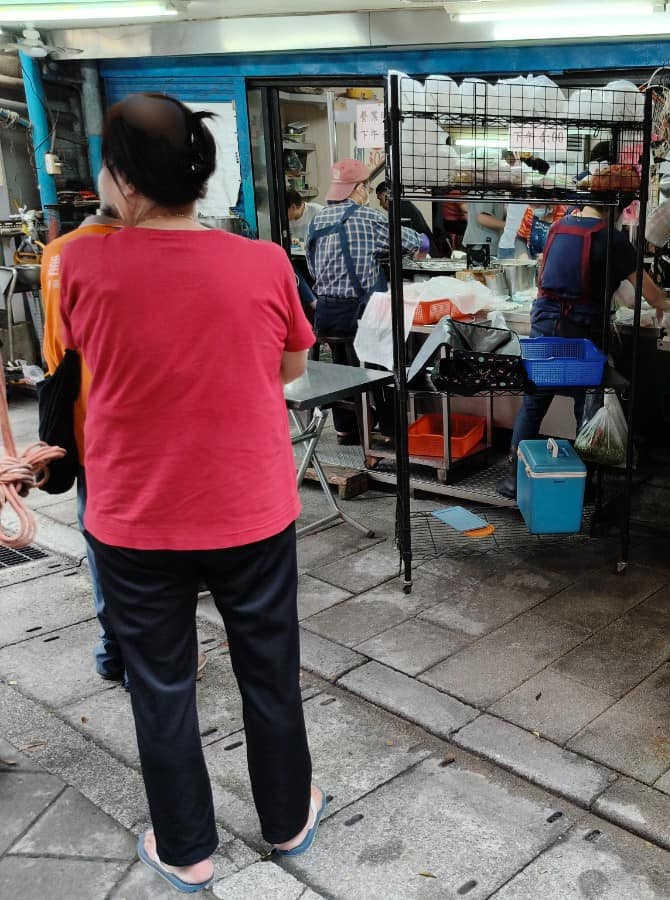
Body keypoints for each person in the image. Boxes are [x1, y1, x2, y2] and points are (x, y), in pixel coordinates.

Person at [58, 92, 322, 892]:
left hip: (135, 519)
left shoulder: (82, 262)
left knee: (161, 686)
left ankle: (186, 848)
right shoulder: (264, 260)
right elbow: (290, 368)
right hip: (251, 509)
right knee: (269, 671)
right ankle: (285, 823)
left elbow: (86, 357)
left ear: (126, 184)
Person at [496, 198, 670, 498]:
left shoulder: (558, 228)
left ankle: (514, 478)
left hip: (545, 325)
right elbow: (650, 293)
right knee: (584, 403)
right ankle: (581, 483)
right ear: (616, 208)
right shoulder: (614, 239)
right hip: (581, 332)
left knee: (535, 402)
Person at [40, 172, 122, 683]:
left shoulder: (58, 253)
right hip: (126, 430)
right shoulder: (129, 253)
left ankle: (114, 650)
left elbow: (54, 349)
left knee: (101, 542)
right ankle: (137, 657)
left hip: (84, 425)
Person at [306, 159, 424, 444]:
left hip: (326, 315)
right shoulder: (368, 218)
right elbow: (413, 242)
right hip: (360, 316)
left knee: (341, 367)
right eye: (366, 188)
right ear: (359, 189)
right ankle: (389, 429)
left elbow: (311, 267)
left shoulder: (317, 220)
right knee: (383, 365)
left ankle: (347, 429)